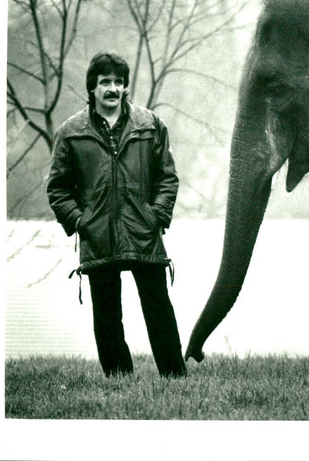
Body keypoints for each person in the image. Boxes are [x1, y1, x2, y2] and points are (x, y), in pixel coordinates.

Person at [47, 52, 186, 377]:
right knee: (107, 316)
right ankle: (119, 378)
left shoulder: (150, 125)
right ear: (92, 88)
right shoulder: (70, 132)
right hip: (98, 234)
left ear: (125, 87)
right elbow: (57, 188)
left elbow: (168, 177)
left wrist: (155, 216)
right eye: (105, 82)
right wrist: (81, 222)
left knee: (159, 309)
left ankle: (174, 376)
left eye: (118, 82)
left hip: (143, 231)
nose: (113, 89)